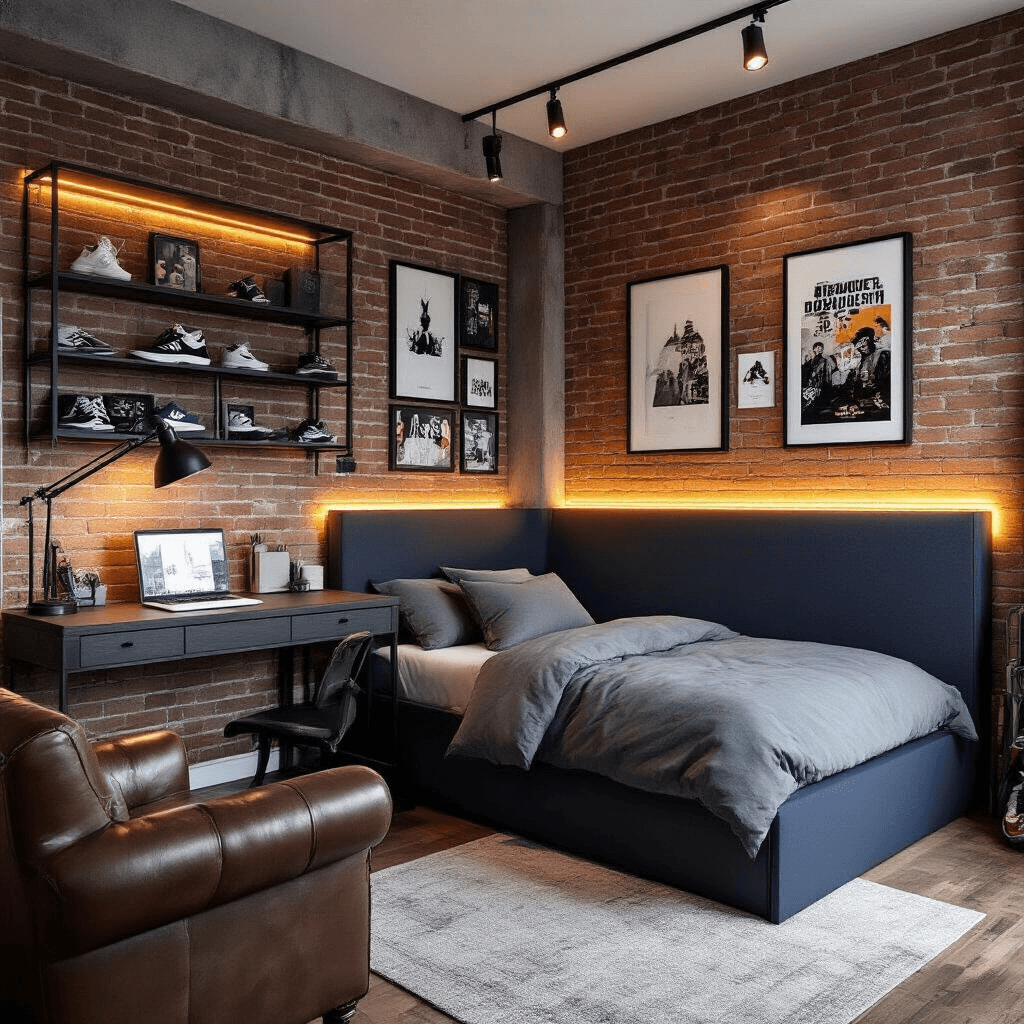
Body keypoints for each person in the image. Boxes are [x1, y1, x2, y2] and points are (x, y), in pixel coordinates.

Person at [801, 341, 837, 417]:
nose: (819, 349)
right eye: (817, 347)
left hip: (823, 381)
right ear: (814, 349)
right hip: (816, 382)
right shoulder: (812, 360)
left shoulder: (824, 357)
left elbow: (832, 366)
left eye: (821, 347)